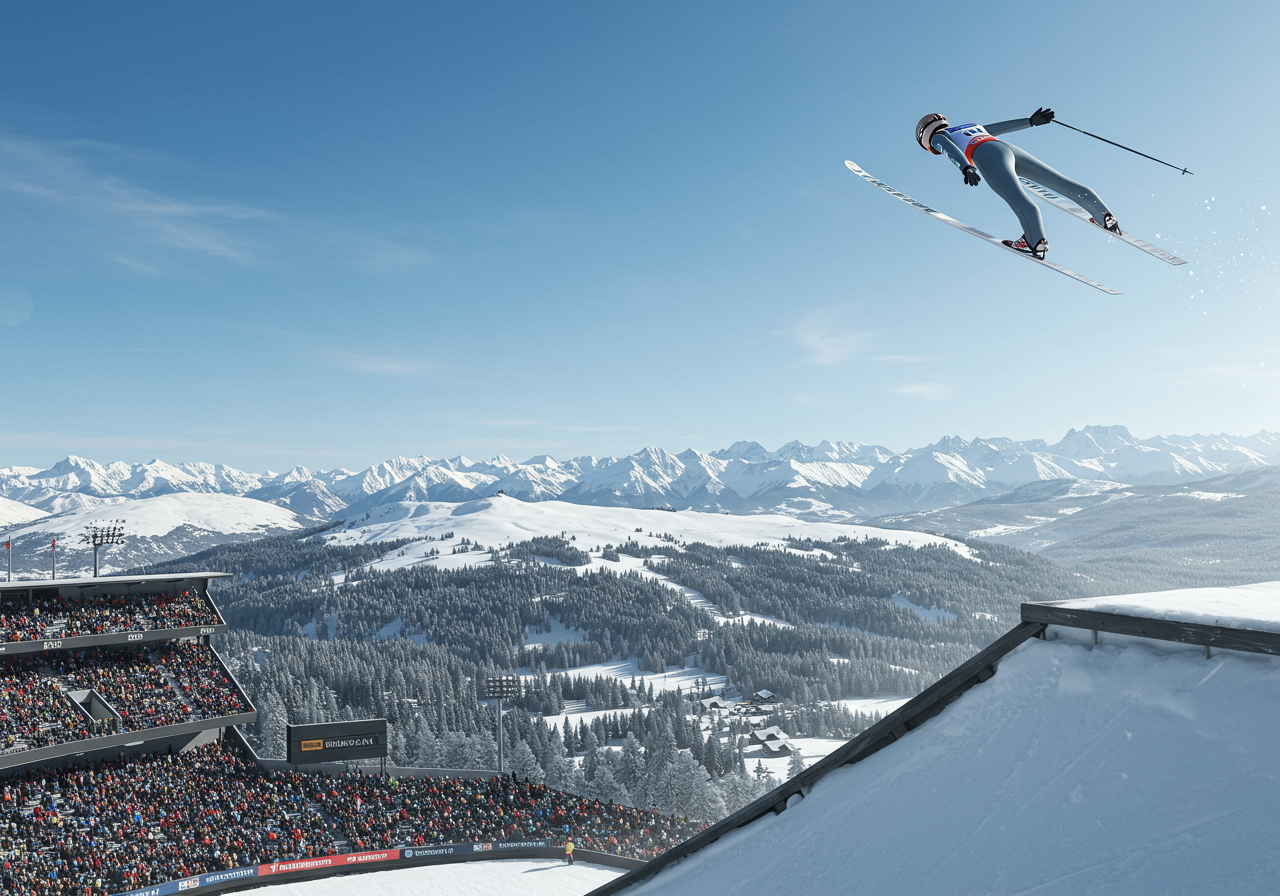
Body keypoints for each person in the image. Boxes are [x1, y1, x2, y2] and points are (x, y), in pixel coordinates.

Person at [915, 108, 1120, 260]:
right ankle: (1104, 216)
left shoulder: (939, 136)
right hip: (1005, 147)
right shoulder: (968, 126)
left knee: (1018, 198)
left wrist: (965, 167)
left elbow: (949, 149)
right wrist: (1030, 121)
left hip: (987, 156)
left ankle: (1035, 242)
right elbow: (1000, 128)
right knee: (1060, 182)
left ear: (925, 135)